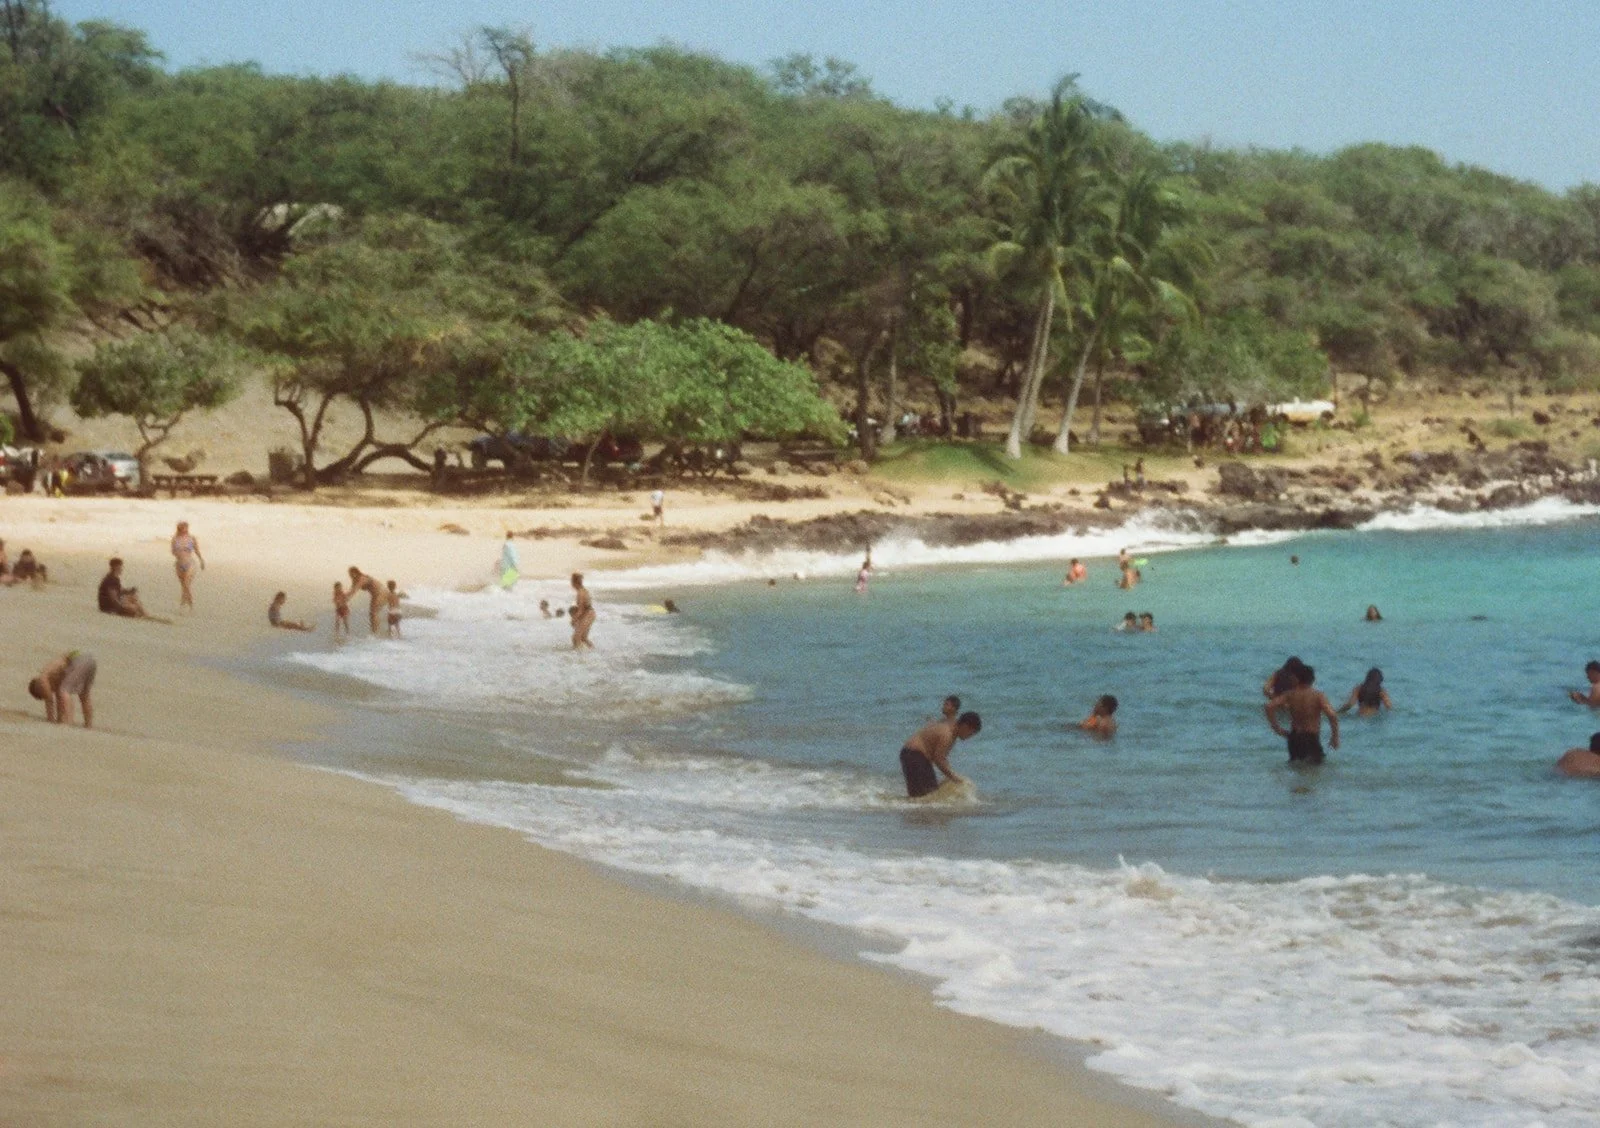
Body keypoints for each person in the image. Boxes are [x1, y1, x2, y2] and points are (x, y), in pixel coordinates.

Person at [1265, 663, 1340, 765]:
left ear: (1296, 679)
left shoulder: (1290, 694)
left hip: (1294, 737)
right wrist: (1334, 737)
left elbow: (1269, 706)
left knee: (1296, 767)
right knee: (1314, 771)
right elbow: (1332, 715)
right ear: (1312, 679)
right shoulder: (1318, 696)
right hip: (1310, 737)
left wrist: (1276, 728)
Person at [898, 711, 982, 798]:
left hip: (912, 755)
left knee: (926, 794)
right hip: (914, 756)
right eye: (971, 733)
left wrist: (950, 775)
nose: (969, 737)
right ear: (965, 726)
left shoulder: (950, 727)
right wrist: (955, 778)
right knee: (924, 795)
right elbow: (939, 760)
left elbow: (941, 759)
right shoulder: (948, 735)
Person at [28, 650, 96, 728]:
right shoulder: (56, 678)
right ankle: (88, 724)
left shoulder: (42, 678)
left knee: (64, 691)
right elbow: (59, 701)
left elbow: (49, 701)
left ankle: (68, 722)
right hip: (90, 660)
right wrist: (59, 719)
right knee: (84, 695)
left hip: (78, 660)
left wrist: (50, 719)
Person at [170, 521, 205, 611]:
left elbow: (197, 550)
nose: (185, 530)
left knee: (186, 584)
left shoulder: (191, 539)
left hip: (190, 563)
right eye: (183, 528)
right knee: (184, 586)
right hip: (179, 564)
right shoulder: (175, 539)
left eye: (186, 528)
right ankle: (188, 605)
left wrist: (201, 560)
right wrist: (178, 552)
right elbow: (173, 551)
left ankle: (185, 604)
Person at [348, 567, 383, 635]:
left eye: (352, 574)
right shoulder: (355, 580)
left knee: (373, 613)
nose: (351, 576)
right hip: (376, 594)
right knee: (373, 614)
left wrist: (346, 599)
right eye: (350, 575)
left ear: (356, 573)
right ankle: (375, 631)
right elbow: (351, 590)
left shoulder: (362, 578)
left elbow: (354, 590)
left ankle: (376, 632)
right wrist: (344, 597)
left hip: (380, 593)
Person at [570, 572, 595, 649]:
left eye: (571, 581)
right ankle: (592, 651)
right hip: (589, 613)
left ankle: (579, 656)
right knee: (583, 638)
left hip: (588, 614)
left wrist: (574, 619)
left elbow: (581, 610)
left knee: (576, 638)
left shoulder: (580, 593)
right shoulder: (583, 590)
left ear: (574, 582)